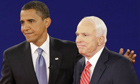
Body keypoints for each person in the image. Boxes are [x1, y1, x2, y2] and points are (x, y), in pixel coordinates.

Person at [0, 1, 137, 84]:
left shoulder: (70, 50)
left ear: (46, 22)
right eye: (22, 23)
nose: (25, 28)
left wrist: (118, 65)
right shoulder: (12, 55)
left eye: (31, 21)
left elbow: (92, 70)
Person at [73, 16, 139, 84]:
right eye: (77, 35)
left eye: (85, 35)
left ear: (100, 40)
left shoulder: (120, 65)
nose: (78, 40)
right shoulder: (80, 64)